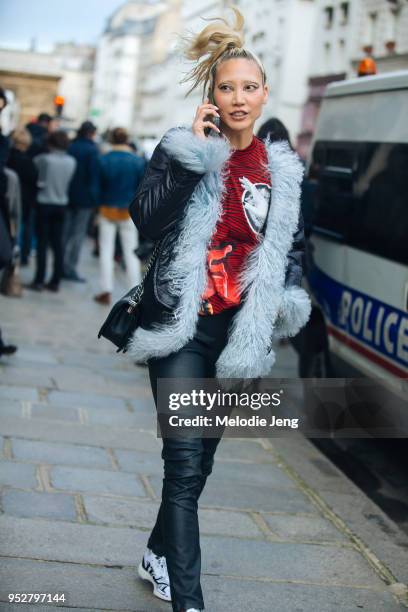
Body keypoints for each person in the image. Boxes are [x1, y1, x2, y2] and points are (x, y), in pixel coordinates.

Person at [128, 7, 311, 612]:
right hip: (181, 331)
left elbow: (292, 247)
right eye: (227, 87)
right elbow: (147, 218)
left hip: (240, 336)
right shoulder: (182, 148)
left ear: (263, 94)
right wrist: (193, 157)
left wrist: (286, 301)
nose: (238, 97)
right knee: (182, 465)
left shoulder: (281, 170)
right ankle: (190, 602)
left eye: (249, 87)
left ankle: (158, 552)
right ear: (213, 96)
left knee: (200, 464)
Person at [94, 127, 145, 305]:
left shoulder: (103, 159)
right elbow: (142, 188)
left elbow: (96, 188)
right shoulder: (138, 161)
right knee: (131, 252)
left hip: (107, 208)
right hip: (128, 211)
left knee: (106, 250)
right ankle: (135, 292)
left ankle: (105, 290)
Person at [27, 130, 76, 292]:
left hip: (44, 203)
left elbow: (36, 174)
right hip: (61, 204)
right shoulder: (72, 161)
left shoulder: (43, 160)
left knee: (42, 243)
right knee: (57, 244)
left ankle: (39, 279)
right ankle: (55, 280)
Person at [63, 120, 99, 282]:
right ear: (91, 133)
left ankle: (60, 265)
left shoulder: (71, 146)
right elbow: (93, 177)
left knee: (65, 233)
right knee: (78, 235)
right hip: (84, 199)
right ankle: (70, 268)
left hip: (67, 195)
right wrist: (94, 200)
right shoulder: (92, 150)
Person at [7, 128, 38, 265]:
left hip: (7, 202)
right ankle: (19, 257)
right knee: (21, 230)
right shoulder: (29, 163)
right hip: (23, 203)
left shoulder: (7, 159)